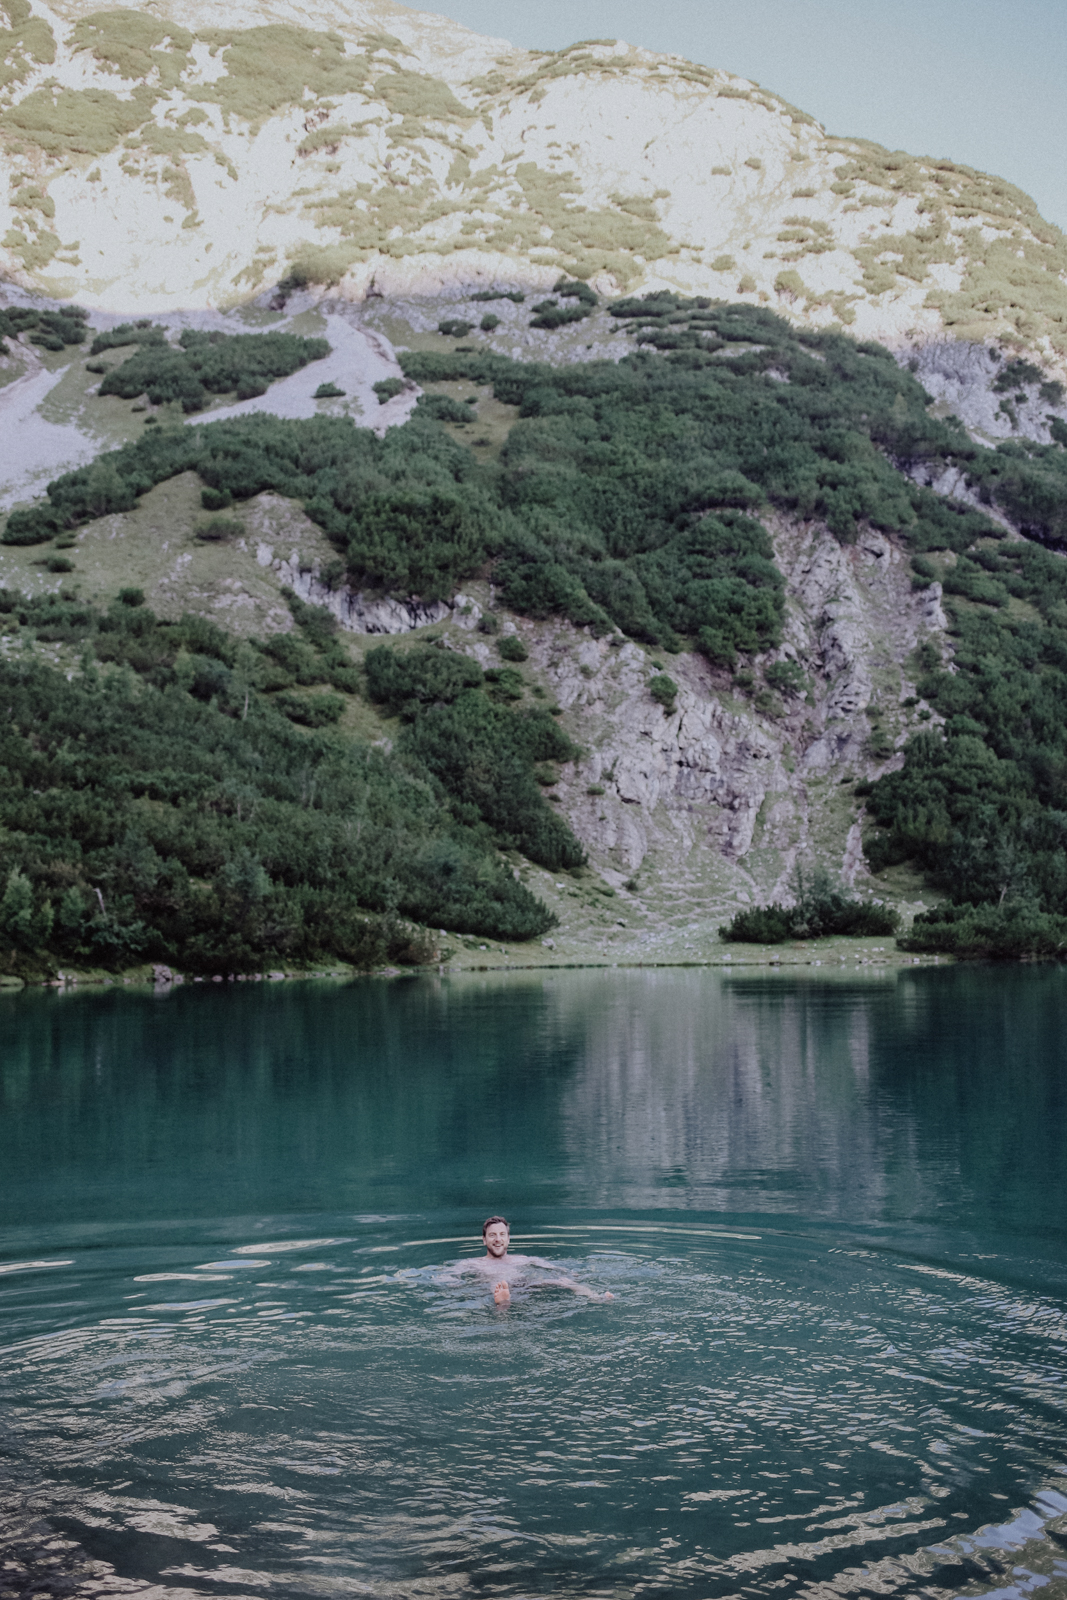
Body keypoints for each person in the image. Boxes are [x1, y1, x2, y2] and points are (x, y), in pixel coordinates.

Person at [460, 1216, 614, 1305]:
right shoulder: (472, 1263)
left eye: (502, 1234)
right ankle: (502, 1304)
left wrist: (567, 1273)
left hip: (525, 1286)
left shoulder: (521, 1260)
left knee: (562, 1281)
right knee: (496, 1285)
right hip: (493, 1288)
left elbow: (549, 1266)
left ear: (508, 1239)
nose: (498, 1239)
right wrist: (449, 1281)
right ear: (484, 1240)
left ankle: (595, 1297)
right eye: (492, 1235)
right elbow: (447, 1276)